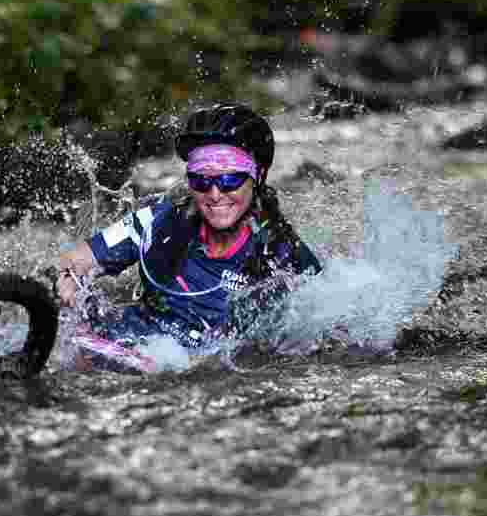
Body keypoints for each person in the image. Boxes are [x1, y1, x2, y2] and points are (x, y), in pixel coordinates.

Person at [55, 103, 322, 357]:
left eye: (230, 179)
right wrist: (70, 285)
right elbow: (74, 260)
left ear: (258, 177)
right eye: (201, 179)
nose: (215, 194)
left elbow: (327, 322)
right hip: (127, 340)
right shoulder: (157, 221)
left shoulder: (282, 253)